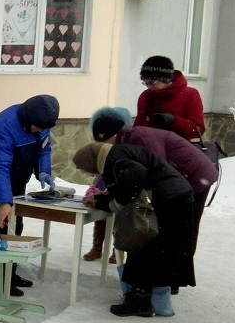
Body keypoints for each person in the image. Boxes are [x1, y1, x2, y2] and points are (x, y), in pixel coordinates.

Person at [90, 106, 217, 277]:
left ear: (112, 135)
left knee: (183, 229)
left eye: (103, 142)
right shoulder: (129, 139)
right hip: (181, 179)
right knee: (171, 229)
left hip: (195, 178)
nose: (104, 148)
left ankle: (170, 279)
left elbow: (156, 171)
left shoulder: (141, 138)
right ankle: (163, 279)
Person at [73, 142, 195, 317]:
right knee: (158, 251)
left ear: (92, 162)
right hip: (177, 197)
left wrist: (117, 203)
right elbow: (126, 183)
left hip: (168, 201)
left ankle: (139, 302)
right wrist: (102, 201)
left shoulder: (115, 159)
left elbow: (136, 176)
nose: (89, 173)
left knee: (144, 245)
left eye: (86, 170)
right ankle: (151, 299)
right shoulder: (117, 154)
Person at [0, 94, 60, 296]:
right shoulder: (3, 126)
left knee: (15, 224)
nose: (41, 131)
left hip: (17, 176)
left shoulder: (41, 121)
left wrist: (44, 171)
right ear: (28, 120)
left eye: (44, 128)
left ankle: (9, 273)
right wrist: (5, 201)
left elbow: (44, 149)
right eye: (37, 127)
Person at [82, 106, 132, 263]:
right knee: (100, 211)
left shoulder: (124, 144)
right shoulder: (101, 136)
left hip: (119, 180)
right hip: (101, 180)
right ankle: (97, 247)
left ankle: (119, 249)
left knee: (121, 214)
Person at [134, 55, 205, 141]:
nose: (149, 87)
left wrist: (174, 121)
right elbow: (138, 126)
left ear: (165, 79)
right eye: (145, 83)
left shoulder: (190, 94)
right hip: (150, 148)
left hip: (178, 148)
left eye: (152, 82)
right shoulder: (145, 96)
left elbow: (198, 131)